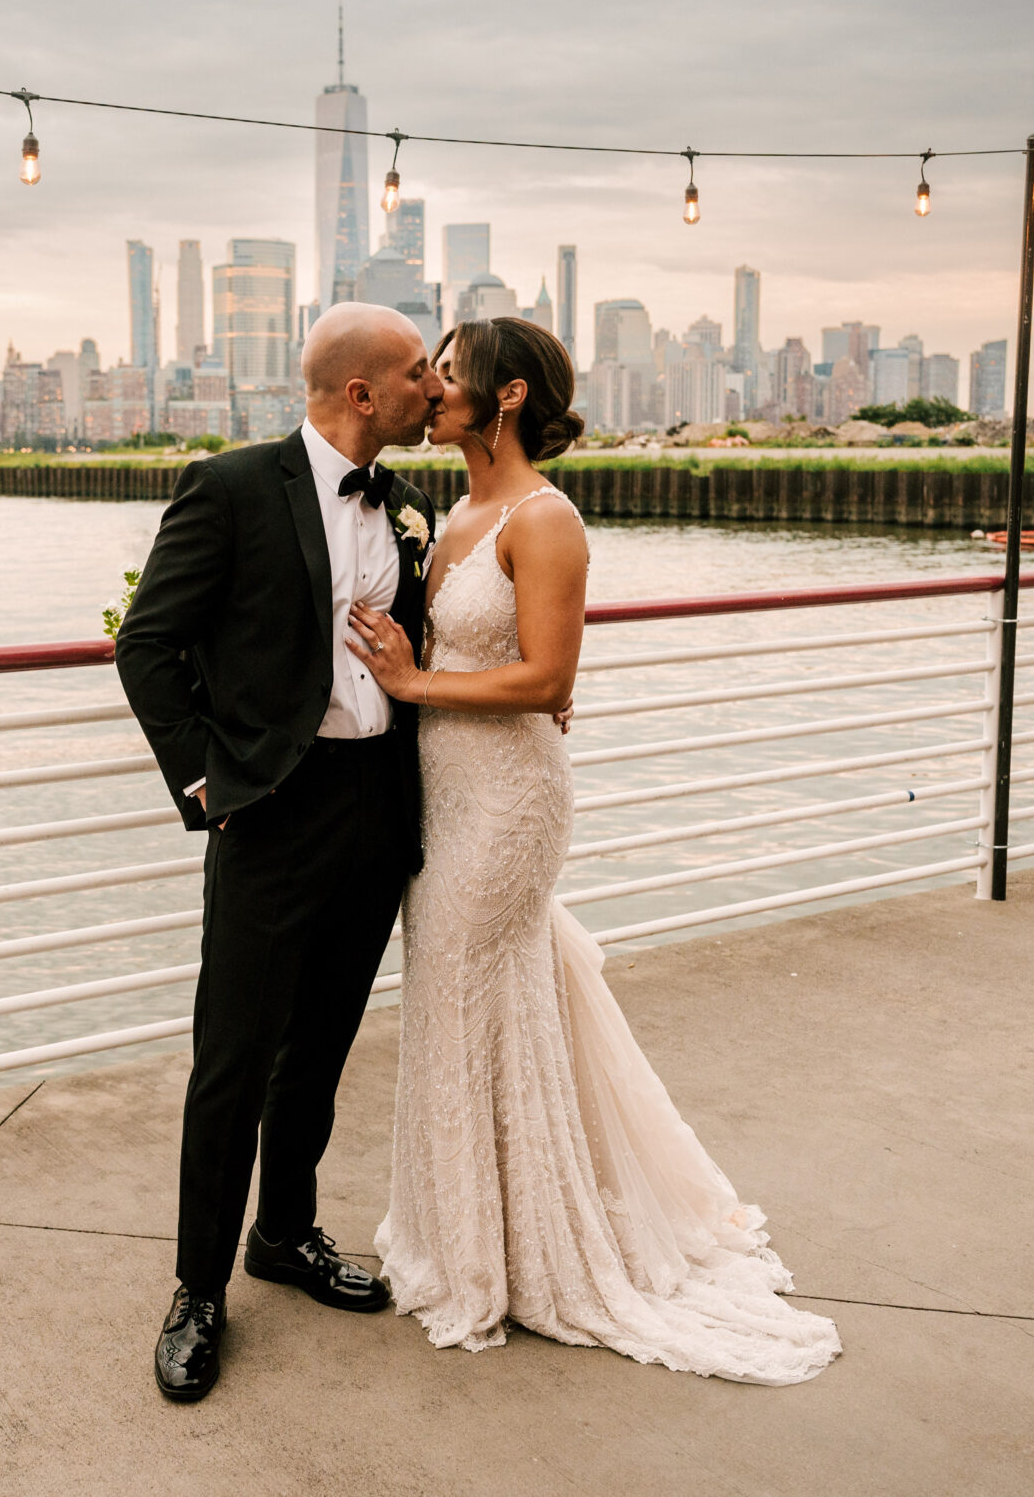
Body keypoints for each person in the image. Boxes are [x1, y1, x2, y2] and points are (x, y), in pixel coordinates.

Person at [347, 317, 842, 1385]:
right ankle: (472, 1232)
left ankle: (517, 1253)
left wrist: (414, 682)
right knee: (454, 998)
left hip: (509, 801)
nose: (428, 391)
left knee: (470, 991)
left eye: (445, 376)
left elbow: (547, 681)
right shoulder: (458, 511)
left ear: (507, 394)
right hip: (444, 790)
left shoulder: (545, 517)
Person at [114, 302, 444, 1402]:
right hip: (270, 808)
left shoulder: (407, 504)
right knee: (233, 1057)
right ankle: (198, 1287)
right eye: (415, 373)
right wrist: (207, 781)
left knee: (323, 1043)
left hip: (374, 802)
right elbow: (147, 642)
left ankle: (286, 1234)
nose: (432, 387)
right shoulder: (233, 485)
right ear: (361, 391)